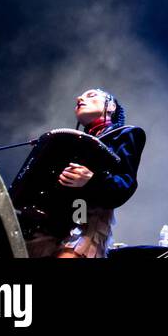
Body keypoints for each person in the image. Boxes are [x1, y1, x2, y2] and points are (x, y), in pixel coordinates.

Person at [24, 87, 146, 258]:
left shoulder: (126, 134)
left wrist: (92, 180)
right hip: (49, 223)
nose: (79, 98)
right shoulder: (69, 143)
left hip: (85, 220)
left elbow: (125, 186)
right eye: (79, 98)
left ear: (111, 106)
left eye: (91, 95)